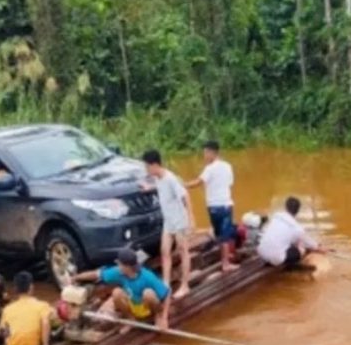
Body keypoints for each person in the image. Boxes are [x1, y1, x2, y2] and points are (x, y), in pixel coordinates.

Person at [74, 247, 172, 329]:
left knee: (148, 293)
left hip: (147, 306)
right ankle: (131, 320)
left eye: (120, 264)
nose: (118, 266)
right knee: (116, 292)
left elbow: (167, 293)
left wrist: (164, 317)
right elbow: (96, 274)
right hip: (134, 304)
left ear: (127, 267)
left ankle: (158, 317)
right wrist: (76, 277)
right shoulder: (119, 272)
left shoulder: (147, 276)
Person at [142, 150, 195, 299]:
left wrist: (191, 219)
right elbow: (160, 187)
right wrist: (149, 188)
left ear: (154, 165)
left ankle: (185, 285)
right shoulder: (158, 178)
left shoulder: (171, 179)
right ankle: (165, 284)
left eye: (147, 167)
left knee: (183, 251)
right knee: (165, 251)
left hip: (179, 221)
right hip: (168, 221)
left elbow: (186, 196)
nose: (146, 170)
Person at [185, 140, 238, 273]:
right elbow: (230, 183)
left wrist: (182, 185)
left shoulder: (210, 168)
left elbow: (197, 182)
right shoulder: (227, 166)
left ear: (211, 152)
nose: (204, 156)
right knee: (225, 236)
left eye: (205, 153)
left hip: (213, 207)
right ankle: (225, 263)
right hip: (225, 206)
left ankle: (224, 259)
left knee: (219, 233)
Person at [0, 271, 52, 345]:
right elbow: (46, 322)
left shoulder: (8, 309)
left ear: (15, 289)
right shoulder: (42, 306)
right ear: (31, 287)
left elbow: (3, 331)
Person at [257, 197, 327, 269]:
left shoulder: (275, 217)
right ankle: (291, 266)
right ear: (298, 210)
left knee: (293, 242)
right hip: (276, 259)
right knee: (302, 248)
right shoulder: (296, 227)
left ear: (286, 207)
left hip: (261, 252)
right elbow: (308, 242)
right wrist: (319, 248)